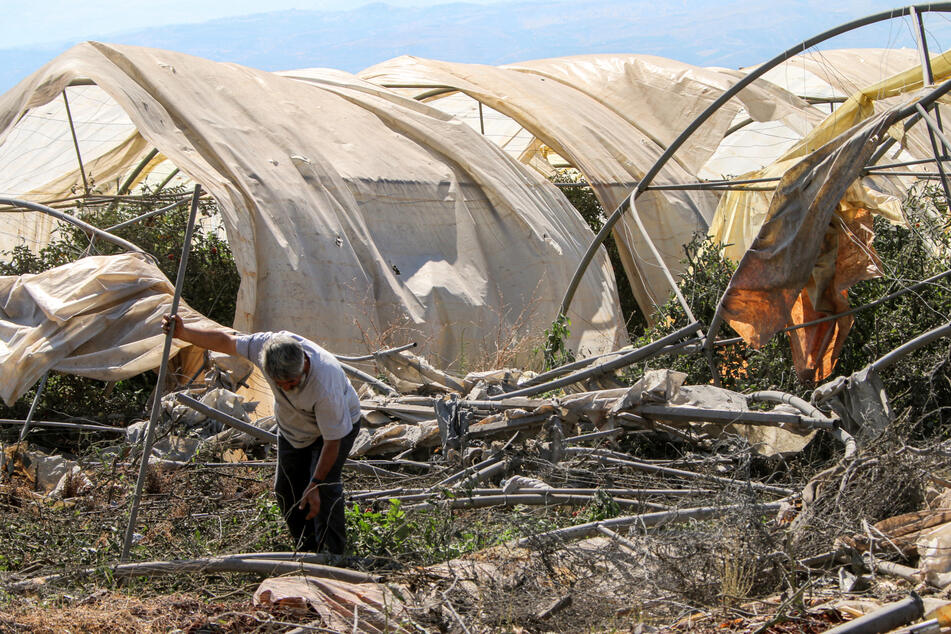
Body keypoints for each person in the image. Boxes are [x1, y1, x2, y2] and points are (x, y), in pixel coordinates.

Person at [162, 314, 361, 555]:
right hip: (294, 428)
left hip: (335, 431)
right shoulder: (264, 346)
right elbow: (225, 340)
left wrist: (316, 482)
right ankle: (308, 551)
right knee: (287, 491)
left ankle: (334, 555)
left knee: (325, 491)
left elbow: (333, 441)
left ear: (305, 365)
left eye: (291, 382)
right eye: (279, 384)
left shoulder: (325, 384)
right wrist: (184, 332)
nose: (286, 387)